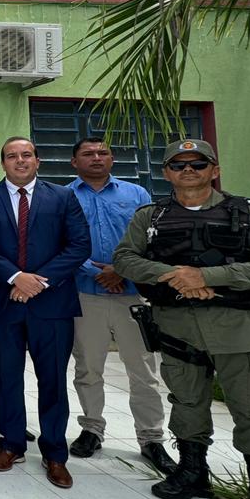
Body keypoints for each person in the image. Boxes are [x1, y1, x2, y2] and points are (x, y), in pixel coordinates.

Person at [113, 139, 250, 499]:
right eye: (178, 164)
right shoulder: (151, 216)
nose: (188, 170)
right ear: (166, 173)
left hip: (239, 328)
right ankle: (192, 472)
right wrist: (175, 276)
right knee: (186, 402)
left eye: (198, 164)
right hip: (178, 326)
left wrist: (208, 277)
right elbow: (126, 259)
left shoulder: (247, 213)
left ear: (214, 170)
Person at [0, 136, 90, 489]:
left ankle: (55, 453)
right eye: (11, 156)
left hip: (52, 304)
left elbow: (79, 244)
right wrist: (15, 277)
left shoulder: (62, 197)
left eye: (26, 155)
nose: (19, 161)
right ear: (2, 163)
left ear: (37, 160)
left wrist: (38, 281)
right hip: (4, 302)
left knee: (53, 380)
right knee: (6, 377)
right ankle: (12, 443)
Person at [67, 137, 176, 475]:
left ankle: (151, 437)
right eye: (88, 154)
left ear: (112, 159)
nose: (96, 158)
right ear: (74, 162)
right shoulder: (64, 196)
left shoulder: (136, 195)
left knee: (143, 370)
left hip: (132, 295)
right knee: (88, 367)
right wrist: (96, 272)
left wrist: (122, 270)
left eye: (103, 153)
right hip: (86, 293)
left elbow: (151, 241)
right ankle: (92, 428)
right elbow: (60, 243)